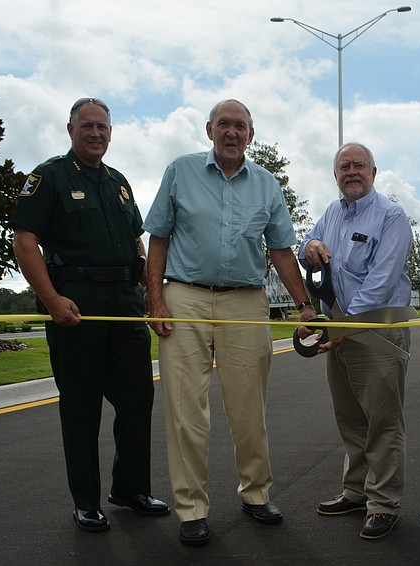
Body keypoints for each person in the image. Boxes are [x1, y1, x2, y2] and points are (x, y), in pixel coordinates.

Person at [143, 99, 316, 546]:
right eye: (225, 124)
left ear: (251, 136)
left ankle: (256, 493)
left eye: (241, 126)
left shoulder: (266, 184)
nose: (232, 133)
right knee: (185, 410)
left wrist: (305, 305)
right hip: (185, 297)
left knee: (247, 407)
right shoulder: (180, 172)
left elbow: (280, 250)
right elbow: (157, 236)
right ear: (209, 130)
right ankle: (192, 509)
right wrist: (156, 298)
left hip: (245, 301)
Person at [12, 97, 169, 533]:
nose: (96, 133)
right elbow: (25, 242)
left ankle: (131, 489)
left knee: (138, 398)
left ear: (111, 132)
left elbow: (137, 245)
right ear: (71, 129)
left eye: (102, 127)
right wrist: (51, 300)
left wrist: (152, 295)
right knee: (81, 409)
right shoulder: (49, 177)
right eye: (87, 126)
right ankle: (86, 501)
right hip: (76, 306)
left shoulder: (119, 183)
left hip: (124, 308)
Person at [298, 143, 413, 540]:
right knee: (350, 418)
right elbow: (305, 248)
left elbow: (381, 283)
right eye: (344, 166)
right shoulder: (331, 213)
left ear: (374, 172)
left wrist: (342, 326)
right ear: (335, 175)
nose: (352, 172)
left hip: (377, 330)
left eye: (359, 165)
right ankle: (356, 491)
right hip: (342, 330)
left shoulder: (391, 216)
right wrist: (308, 246)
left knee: (382, 421)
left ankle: (383, 504)